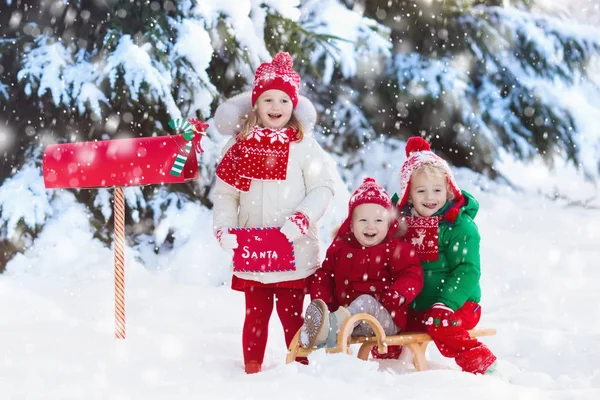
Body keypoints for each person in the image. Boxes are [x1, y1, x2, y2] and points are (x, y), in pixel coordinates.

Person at [212, 52, 335, 374]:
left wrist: (301, 219)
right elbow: (226, 195)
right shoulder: (239, 146)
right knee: (255, 313)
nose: (276, 107)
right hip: (252, 247)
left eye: (283, 99)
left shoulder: (305, 146)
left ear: (293, 105)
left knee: (293, 314)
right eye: (268, 99)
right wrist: (224, 229)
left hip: (293, 246)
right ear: (256, 104)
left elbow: (322, 188)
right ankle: (252, 370)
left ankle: (300, 369)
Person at [372, 136, 497, 374]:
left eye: (437, 190)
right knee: (389, 324)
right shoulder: (401, 226)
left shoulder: (460, 227)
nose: (430, 198)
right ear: (408, 194)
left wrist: (446, 303)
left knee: (440, 323)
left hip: (458, 305)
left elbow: (467, 270)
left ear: (449, 190)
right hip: (419, 306)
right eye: (422, 191)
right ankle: (386, 368)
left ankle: (482, 363)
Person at [299, 177, 423, 349]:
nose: (370, 226)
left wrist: (399, 293)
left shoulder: (395, 249)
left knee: (366, 301)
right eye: (363, 220)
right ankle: (324, 327)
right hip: (353, 322)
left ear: (389, 224)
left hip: (385, 320)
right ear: (351, 224)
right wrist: (324, 303)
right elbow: (325, 276)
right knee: (327, 297)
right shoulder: (340, 249)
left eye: (378, 221)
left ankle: (330, 327)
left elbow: (412, 273)